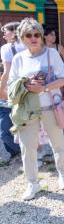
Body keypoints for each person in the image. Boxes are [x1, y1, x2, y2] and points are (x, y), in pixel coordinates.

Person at [8, 18, 64, 200]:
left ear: (41, 36)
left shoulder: (51, 54)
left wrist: (44, 88)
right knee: (28, 148)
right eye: (28, 35)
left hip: (50, 107)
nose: (33, 38)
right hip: (28, 110)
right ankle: (32, 183)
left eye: (37, 34)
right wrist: (26, 84)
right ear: (22, 38)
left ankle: (63, 175)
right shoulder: (19, 59)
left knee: (58, 143)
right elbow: (12, 84)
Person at [0, 22, 26, 162]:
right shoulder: (30, 45)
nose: (3, 35)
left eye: (5, 32)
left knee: (7, 129)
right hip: (28, 89)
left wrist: (1, 90)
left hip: (12, 89)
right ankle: (31, 151)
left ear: (14, 32)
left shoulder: (6, 48)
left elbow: (7, 71)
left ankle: (19, 151)